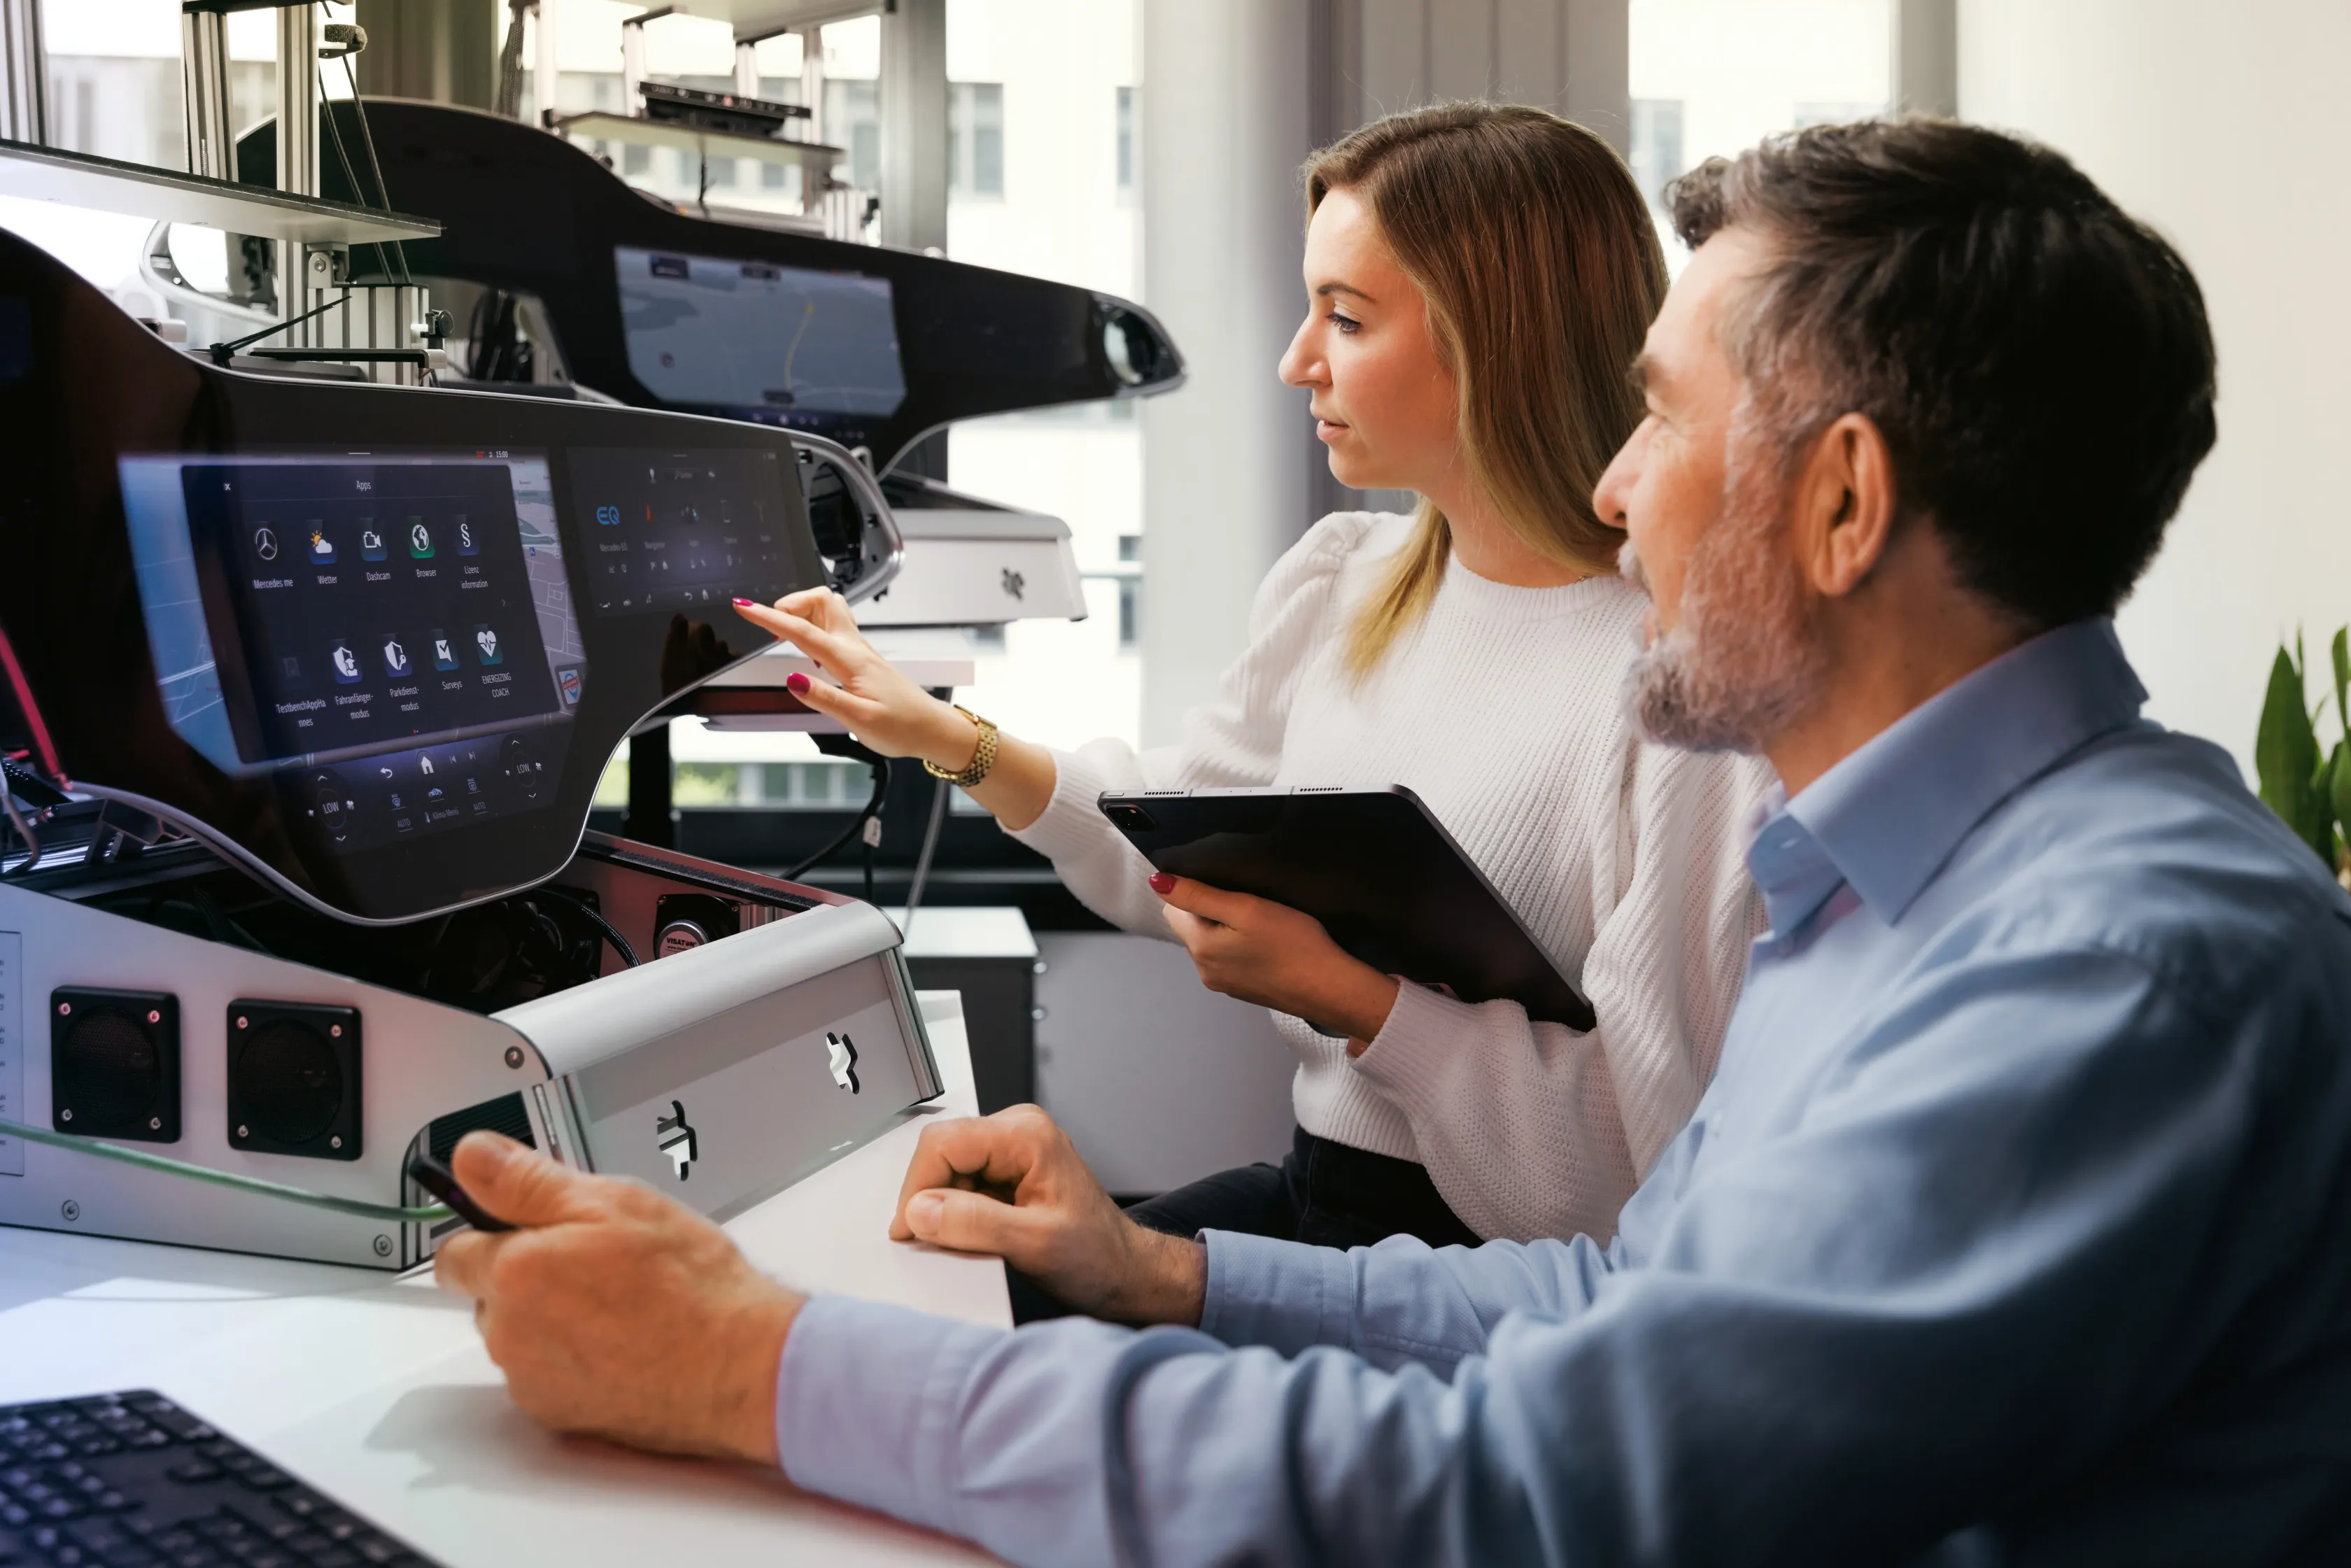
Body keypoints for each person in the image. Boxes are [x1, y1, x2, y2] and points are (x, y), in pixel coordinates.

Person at [438, 118, 2351, 1565]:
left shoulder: (2113, 969)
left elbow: (1550, 1484)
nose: (1616, 494)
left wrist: (752, 1370)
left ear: (1843, 500)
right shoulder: (1886, 890)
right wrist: (1167, 1277)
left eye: (1662, 427)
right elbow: (1616, 1308)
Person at [732, 102, 1769, 1260]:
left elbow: (1635, 1167)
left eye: (1347, 316)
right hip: (1312, 1196)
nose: (1295, 361)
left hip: (1502, 1280)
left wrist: (1359, 1002)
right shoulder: (1345, 585)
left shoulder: (1681, 698)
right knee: (926, 1286)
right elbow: (1186, 845)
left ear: (1496, 339)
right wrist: (945, 737)